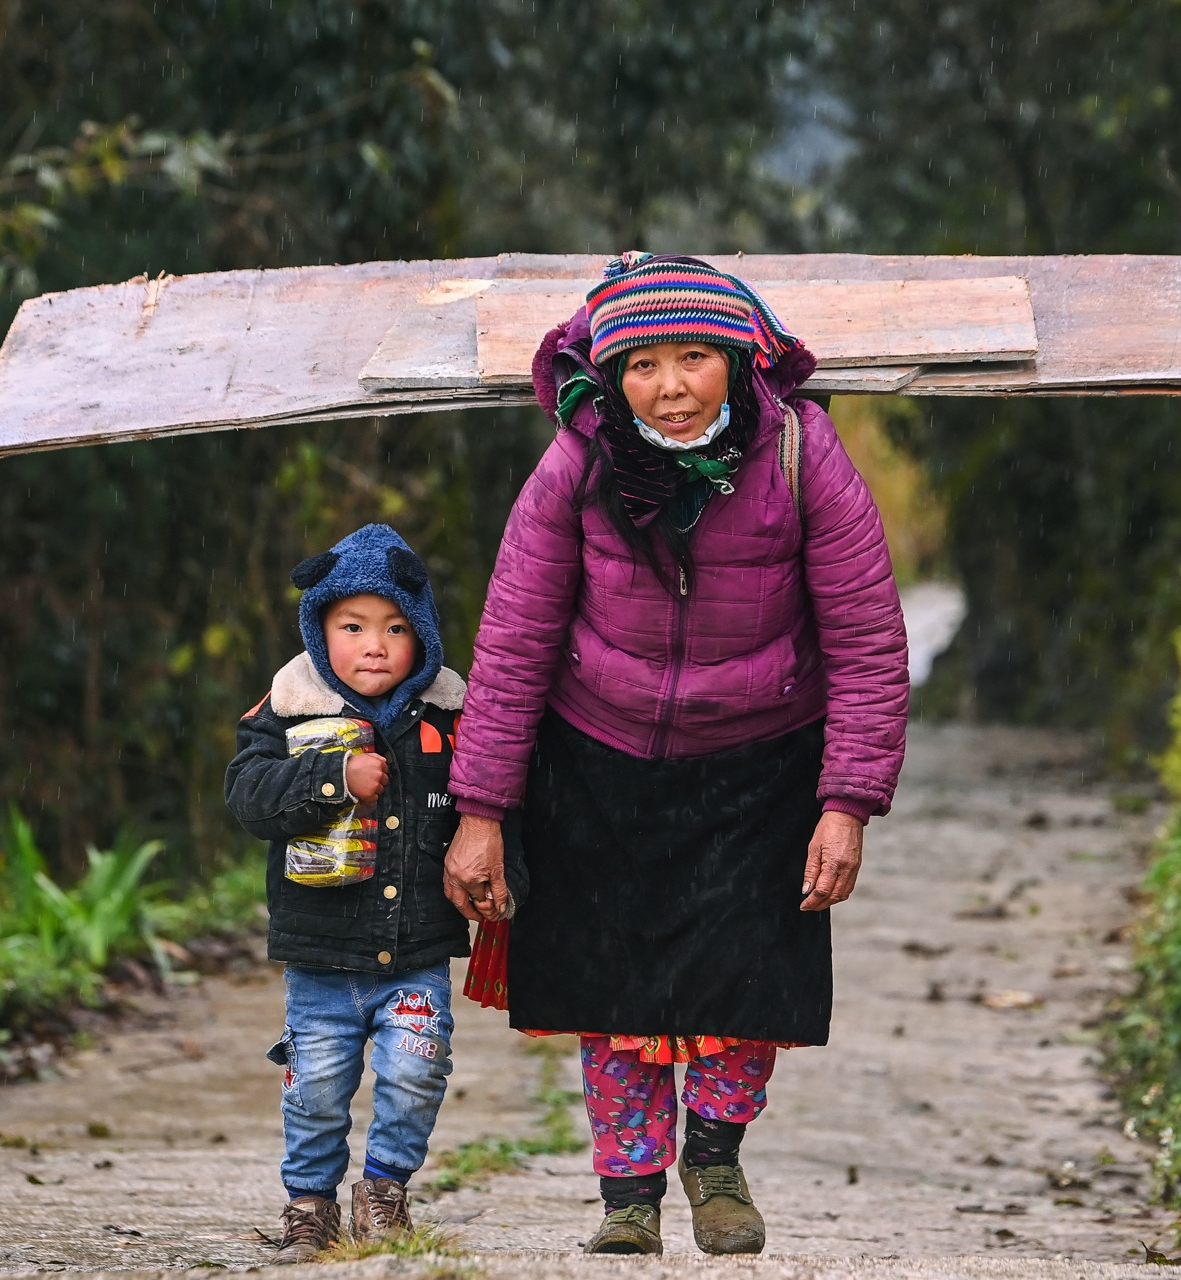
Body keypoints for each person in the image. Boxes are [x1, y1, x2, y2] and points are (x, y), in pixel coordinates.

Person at [444, 253, 910, 1255]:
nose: (670, 385)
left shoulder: (802, 453)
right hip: (598, 759)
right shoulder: (578, 460)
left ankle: (714, 1155)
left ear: (739, 359)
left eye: (694, 356)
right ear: (610, 376)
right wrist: (479, 808)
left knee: (746, 983)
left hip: (761, 763)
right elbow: (514, 636)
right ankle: (628, 1191)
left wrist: (848, 800)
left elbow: (868, 636)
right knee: (613, 991)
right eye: (644, 364)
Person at [225, 523, 471, 1263]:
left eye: (396, 628)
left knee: (418, 1069)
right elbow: (248, 798)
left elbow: (493, 811)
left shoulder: (450, 717)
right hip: (322, 959)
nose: (375, 645)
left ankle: (386, 1190)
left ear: (422, 634)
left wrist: (501, 882)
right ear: (317, 630)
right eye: (353, 627)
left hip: (417, 952)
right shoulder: (289, 709)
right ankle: (309, 1205)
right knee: (317, 1089)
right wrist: (332, 779)